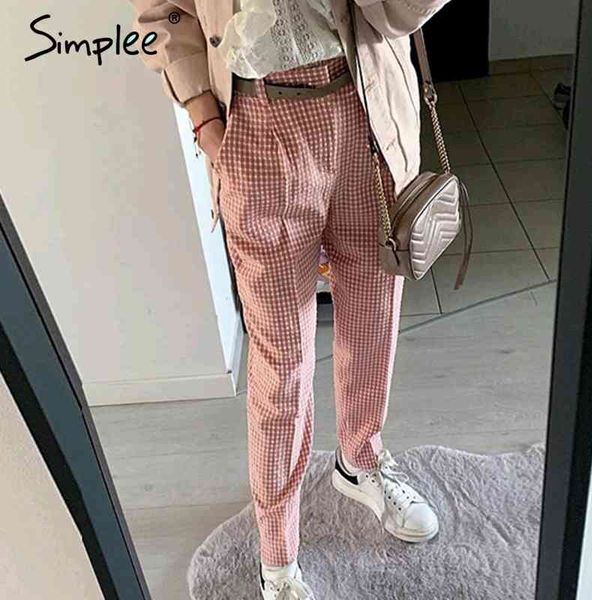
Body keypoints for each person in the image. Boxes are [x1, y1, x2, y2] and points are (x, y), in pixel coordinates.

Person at [128, 1, 452, 598]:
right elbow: (164, 12)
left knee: (374, 321)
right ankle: (277, 547)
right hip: (255, 123)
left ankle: (362, 459)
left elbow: (401, 14)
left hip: (366, 109)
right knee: (282, 364)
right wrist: (206, 122)